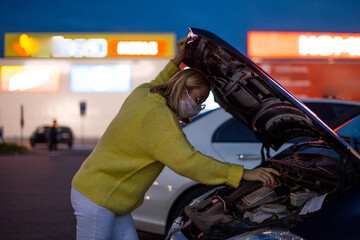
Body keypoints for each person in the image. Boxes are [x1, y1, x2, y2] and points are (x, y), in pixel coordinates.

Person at [70, 37, 280, 240]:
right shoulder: (160, 120)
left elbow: (159, 80)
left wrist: (177, 59)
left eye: (202, 103)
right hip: (99, 199)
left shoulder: (145, 94)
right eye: (197, 99)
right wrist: (243, 173)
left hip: (107, 195)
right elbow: (189, 163)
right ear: (181, 91)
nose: (197, 107)